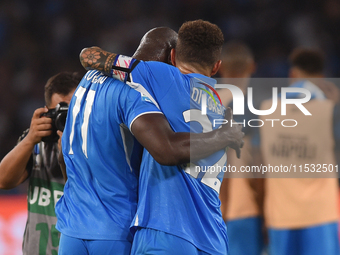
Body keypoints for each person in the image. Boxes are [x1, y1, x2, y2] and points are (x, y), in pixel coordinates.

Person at [58, 25, 243, 255]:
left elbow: (89, 55)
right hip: (212, 235)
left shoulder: (161, 77)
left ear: (173, 57)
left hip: (164, 230)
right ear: (216, 67)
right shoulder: (221, 102)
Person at [259, 47, 340, 255]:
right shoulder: (331, 110)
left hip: (280, 214)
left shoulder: (266, 110)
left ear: (292, 74)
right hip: (320, 213)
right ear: (321, 77)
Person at [0, 72, 81, 255]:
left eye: (73, 110)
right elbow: (3, 181)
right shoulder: (37, 143)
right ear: (47, 112)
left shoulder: (96, 144)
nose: (65, 120)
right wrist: (29, 139)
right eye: (61, 112)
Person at [217, 41, 265, 255]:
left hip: (207, 211)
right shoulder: (254, 108)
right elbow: (259, 165)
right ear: (252, 67)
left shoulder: (204, 102)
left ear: (219, 66)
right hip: (243, 209)